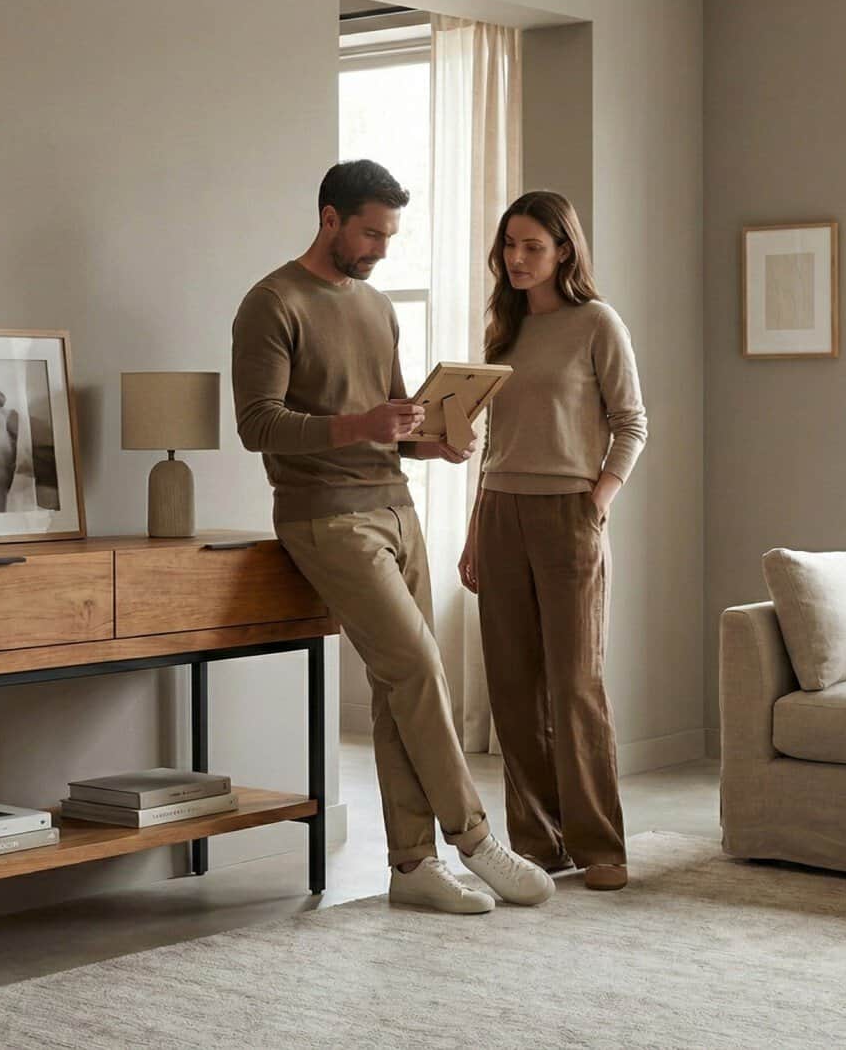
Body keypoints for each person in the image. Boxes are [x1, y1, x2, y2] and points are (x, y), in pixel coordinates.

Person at [232, 160, 555, 914]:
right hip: (323, 514)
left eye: (390, 234)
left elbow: (390, 416)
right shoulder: (272, 302)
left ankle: (411, 865)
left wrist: (427, 440)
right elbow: (257, 423)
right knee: (416, 666)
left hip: (396, 505)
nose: (380, 247)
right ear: (330, 218)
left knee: (396, 685)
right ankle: (474, 837)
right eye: (371, 231)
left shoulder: (377, 307)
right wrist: (361, 426)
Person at [457, 190, 647, 892]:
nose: (517, 258)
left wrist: (597, 500)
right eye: (510, 245)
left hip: (569, 514)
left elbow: (632, 422)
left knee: (574, 687)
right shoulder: (502, 334)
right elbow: (492, 445)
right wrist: (476, 529)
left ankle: (601, 842)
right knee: (512, 690)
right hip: (501, 513)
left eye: (533, 245)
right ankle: (538, 842)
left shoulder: (597, 322)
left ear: (564, 250)